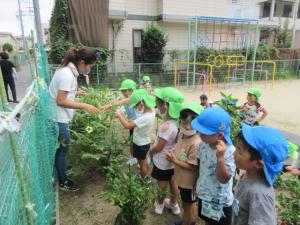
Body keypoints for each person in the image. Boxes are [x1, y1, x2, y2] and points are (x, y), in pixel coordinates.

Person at [49, 48, 100, 191]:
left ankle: (62, 170)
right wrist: (85, 106)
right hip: (58, 118)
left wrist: (76, 92)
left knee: (61, 150)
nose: (90, 69)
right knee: (62, 151)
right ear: (82, 62)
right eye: (90, 66)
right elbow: (60, 100)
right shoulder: (67, 75)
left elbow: (62, 91)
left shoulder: (67, 71)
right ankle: (63, 181)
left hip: (57, 116)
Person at [232, 124, 288, 225]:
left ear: (258, 164)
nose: (233, 153)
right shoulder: (247, 174)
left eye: (239, 151)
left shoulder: (259, 194)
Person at [191, 107, 236, 225]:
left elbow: (224, 179)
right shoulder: (203, 144)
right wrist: (196, 183)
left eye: (204, 133)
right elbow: (201, 165)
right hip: (204, 195)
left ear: (220, 135)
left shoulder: (230, 152)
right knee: (207, 221)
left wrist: (220, 158)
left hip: (220, 202)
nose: (200, 135)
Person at [166, 103, 204, 225]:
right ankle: (187, 221)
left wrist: (174, 161)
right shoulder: (182, 134)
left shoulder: (196, 143)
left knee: (188, 206)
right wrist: (174, 154)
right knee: (185, 204)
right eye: (184, 122)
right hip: (182, 180)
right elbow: (179, 149)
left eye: (191, 123)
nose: (187, 127)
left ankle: (187, 222)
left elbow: (193, 167)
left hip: (190, 183)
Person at [149, 87, 184, 215]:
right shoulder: (179, 123)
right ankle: (174, 205)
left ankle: (160, 205)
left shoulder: (167, 126)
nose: (157, 107)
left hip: (163, 162)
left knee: (162, 185)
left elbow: (159, 146)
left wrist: (151, 151)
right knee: (174, 183)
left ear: (165, 106)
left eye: (158, 104)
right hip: (174, 160)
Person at [115, 89, 156, 178]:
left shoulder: (144, 118)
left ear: (142, 104)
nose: (135, 108)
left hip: (140, 144)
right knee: (144, 162)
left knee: (142, 165)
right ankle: (146, 174)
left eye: (136, 105)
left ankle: (144, 179)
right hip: (145, 141)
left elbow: (127, 125)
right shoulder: (152, 111)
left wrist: (119, 115)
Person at [99, 79, 139, 165]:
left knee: (138, 142)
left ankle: (141, 159)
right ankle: (133, 157)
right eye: (122, 91)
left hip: (138, 123)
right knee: (132, 141)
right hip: (132, 122)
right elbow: (122, 108)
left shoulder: (133, 97)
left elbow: (120, 103)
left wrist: (107, 107)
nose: (123, 92)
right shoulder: (126, 99)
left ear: (131, 90)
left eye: (125, 90)